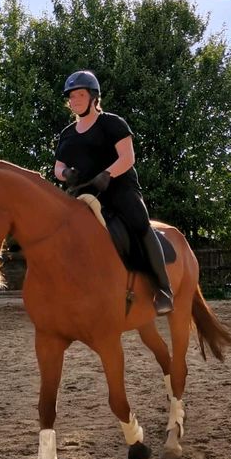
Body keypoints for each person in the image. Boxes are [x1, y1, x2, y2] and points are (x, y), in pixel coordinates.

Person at [54, 70, 173, 314]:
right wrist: (66, 175)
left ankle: (163, 290)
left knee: (139, 224)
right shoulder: (66, 134)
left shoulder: (112, 123)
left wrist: (107, 175)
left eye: (80, 94)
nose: (75, 100)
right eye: (72, 96)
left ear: (93, 97)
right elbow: (58, 167)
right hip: (83, 193)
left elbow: (128, 158)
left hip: (119, 188)